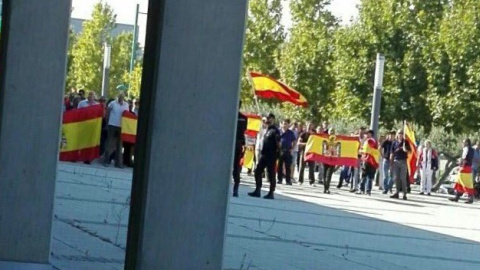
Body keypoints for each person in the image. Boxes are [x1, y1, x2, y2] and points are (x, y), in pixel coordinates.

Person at [249, 113, 280, 199]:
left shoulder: (275, 130)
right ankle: (258, 189)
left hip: (272, 155)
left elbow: (279, 143)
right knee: (257, 171)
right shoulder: (267, 129)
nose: (267, 120)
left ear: (273, 119)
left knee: (271, 174)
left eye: (269, 118)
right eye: (266, 118)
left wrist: (277, 153)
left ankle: (271, 192)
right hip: (264, 154)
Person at [102, 92, 129, 168]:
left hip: (121, 126)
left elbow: (127, 115)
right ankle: (106, 160)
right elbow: (107, 113)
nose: (121, 98)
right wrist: (107, 124)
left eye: (122, 97)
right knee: (109, 143)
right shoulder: (112, 103)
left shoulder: (126, 105)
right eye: (120, 96)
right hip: (112, 124)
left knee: (119, 145)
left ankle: (118, 163)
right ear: (118, 97)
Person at [449, 139, 475, 204]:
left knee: (465, 183)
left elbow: (464, 158)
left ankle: (470, 197)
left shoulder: (466, 149)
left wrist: (460, 164)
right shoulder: (472, 150)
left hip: (464, 167)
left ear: (466, 143)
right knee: (460, 181)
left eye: (463, 142)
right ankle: (457, 196)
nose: (462, 143)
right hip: (469, 167)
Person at [390, 129, 411, 200]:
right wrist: (391, 162)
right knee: (396, 178)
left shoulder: (406, 142)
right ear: (397, 134)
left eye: (402, 133)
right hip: (396, 161)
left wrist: (406, 150)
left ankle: (404, 194)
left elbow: (410, 151)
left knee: (403, 178)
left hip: (403, 161)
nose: (400, 135)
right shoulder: (394, 143)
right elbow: (392, 153)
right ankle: (397, 192)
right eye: (399, 133)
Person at [232, 102, 247, 197]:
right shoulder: (244, 118)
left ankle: (235, 188)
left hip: (232, 144)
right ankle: (236, 189)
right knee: (236, 168)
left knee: (235, 168)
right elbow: (244, 131)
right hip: (239, 144)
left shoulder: (230, 116)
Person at [359, 130, 379, 196]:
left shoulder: (371, 140)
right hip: (365, 160)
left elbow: (371, 145)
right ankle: (363, 189)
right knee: (364, 176)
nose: (366, 135)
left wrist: (365, 140)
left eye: (367, 134)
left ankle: (367, 190)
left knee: (368, 176)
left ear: (370, 134)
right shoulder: (366, 141)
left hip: (370, 161)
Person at [277, 119, 296, 185]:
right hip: (280, 151)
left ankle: (288, 180)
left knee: (288, 166)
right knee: (279, 166)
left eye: (286, 124)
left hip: (288, 151)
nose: (284, 125)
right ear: (281, 124)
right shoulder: (278, 132)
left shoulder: (290, 133)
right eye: (283, 123)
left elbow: (294, 141)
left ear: (288, 125)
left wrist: (292, 148)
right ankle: (279, 179)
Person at [322, 127, 337, 194]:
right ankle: (325, 187)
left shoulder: (336, 140)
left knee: (329, 174)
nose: (331, 133)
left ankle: (327, 188)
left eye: (333, 131)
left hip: (333, 159)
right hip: (326, 158)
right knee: (325, 174)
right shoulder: (325, 139)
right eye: (330, 131)